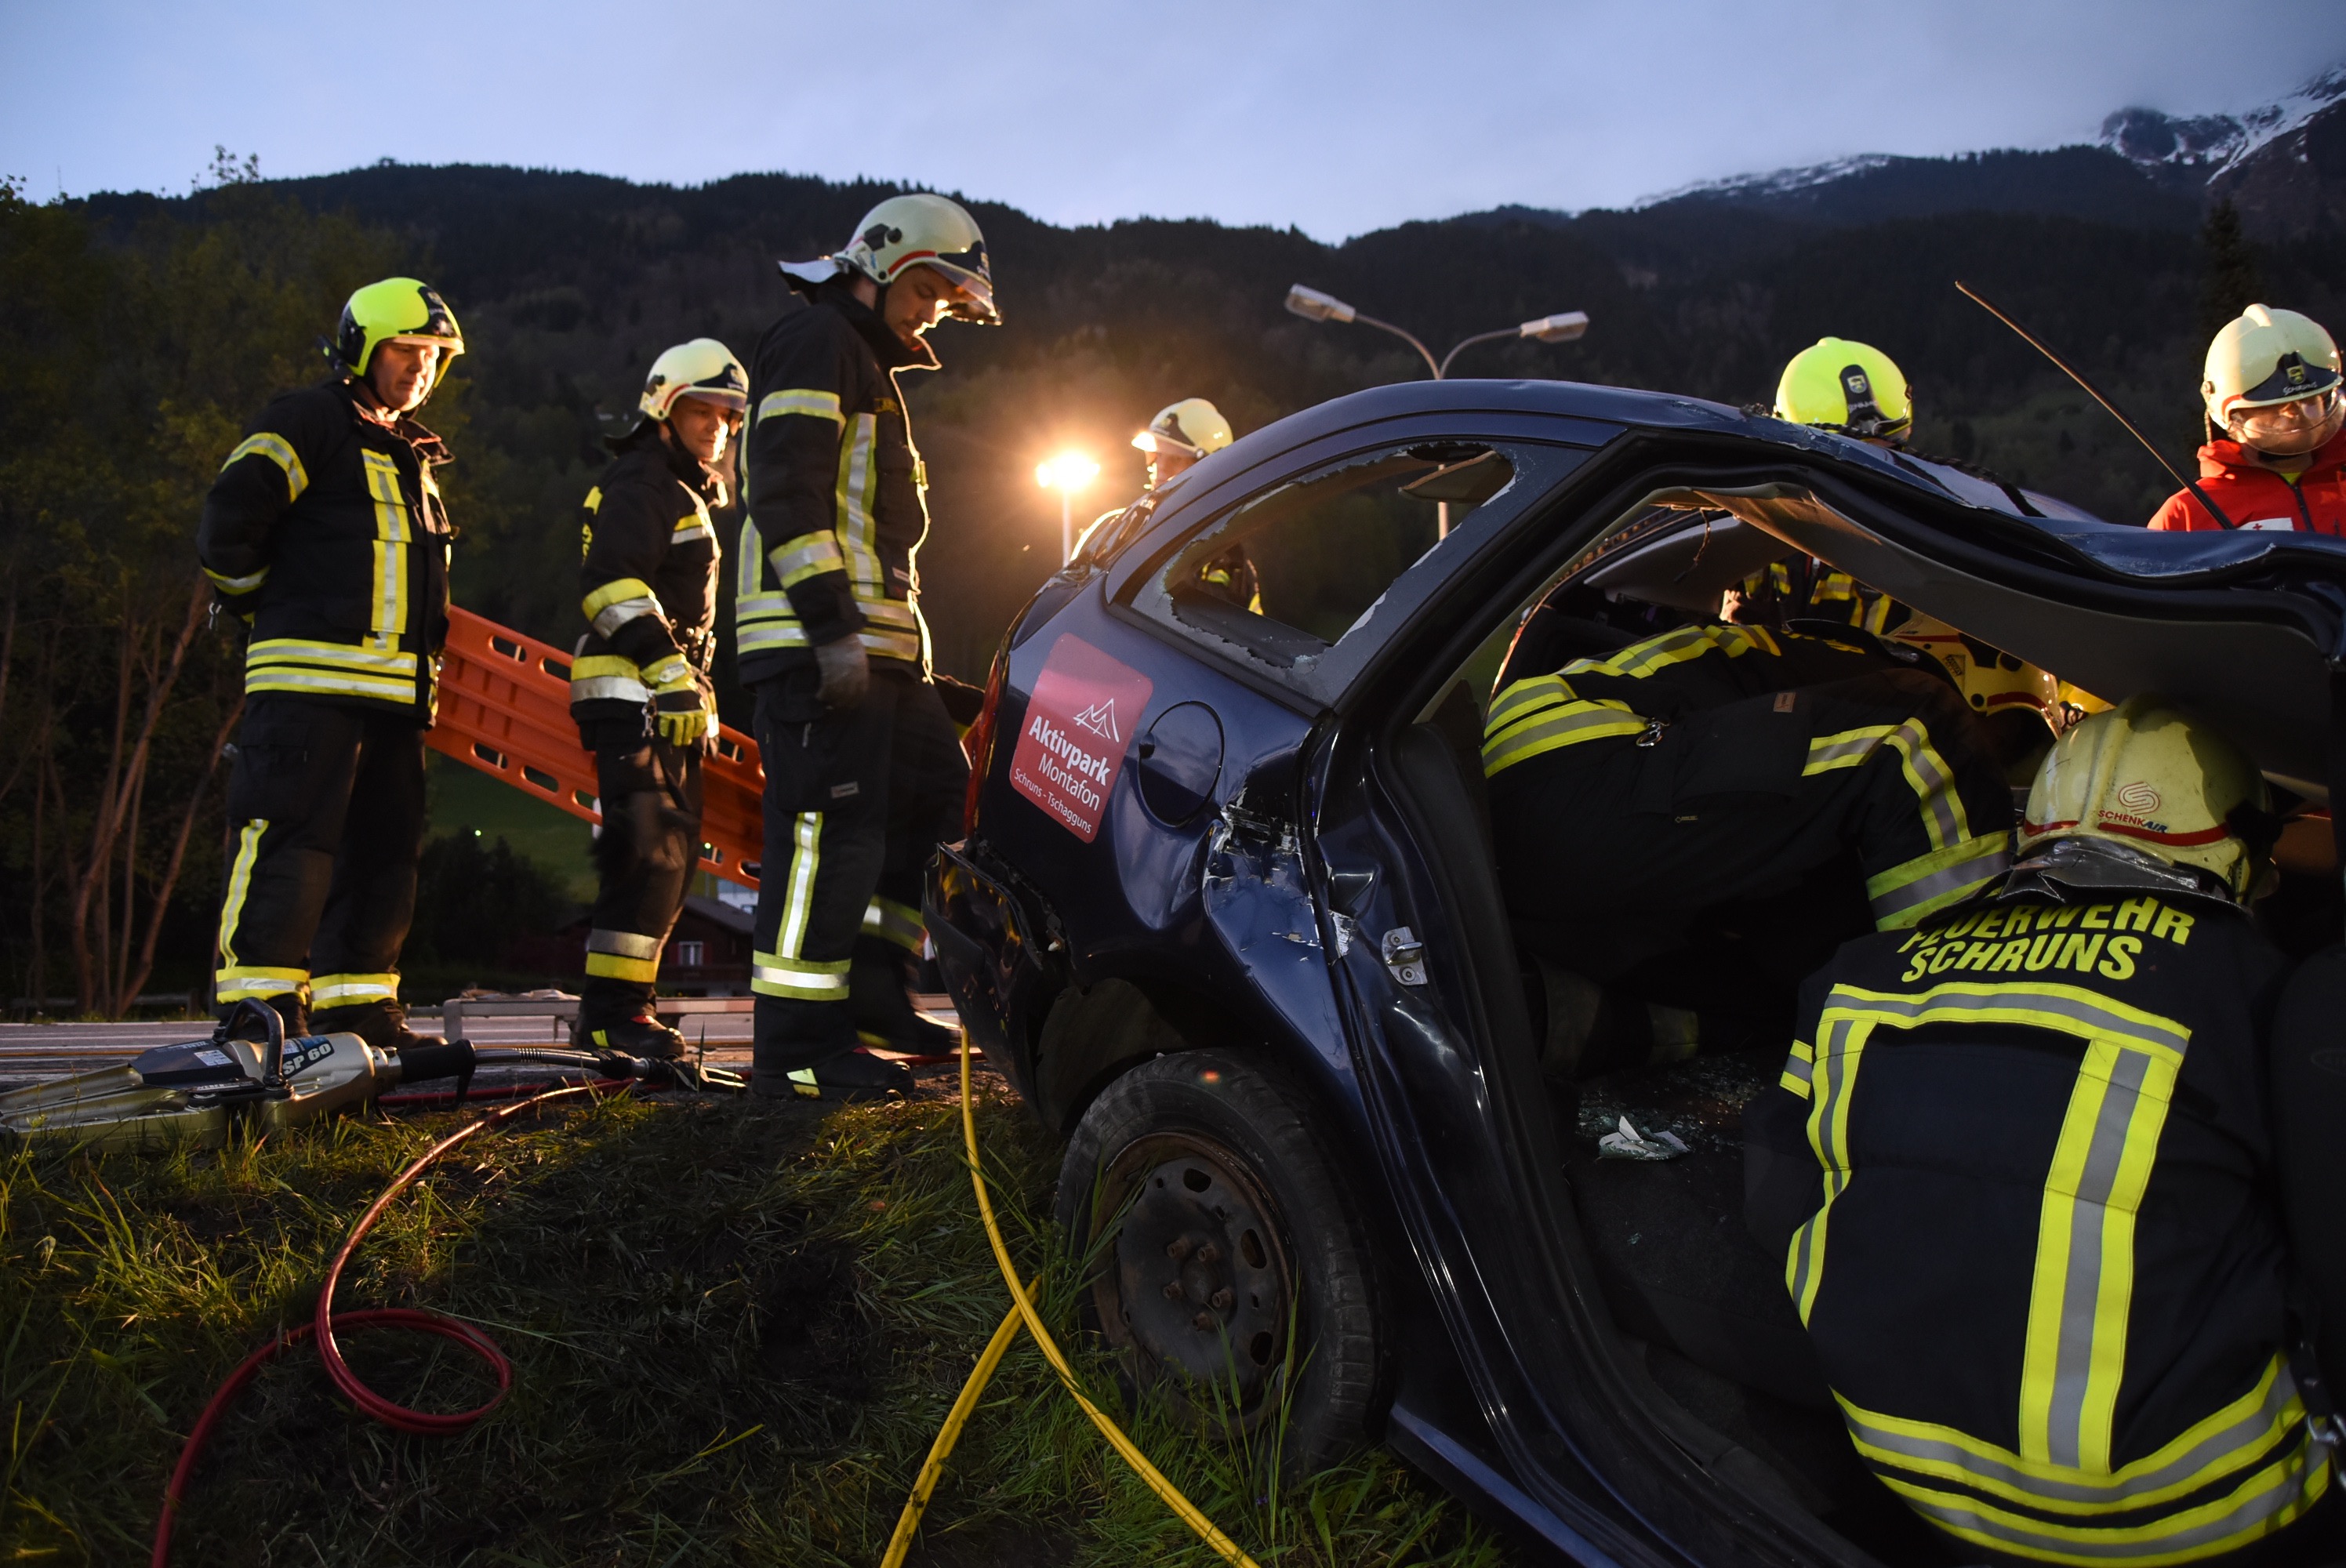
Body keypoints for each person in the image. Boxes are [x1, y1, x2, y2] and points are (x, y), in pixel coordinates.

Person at [1745, 699, 2330, 1566]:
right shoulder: (2261, 991)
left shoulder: (1860, 973)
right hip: (2207, 1504)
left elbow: (1776, 1196)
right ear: (2233, 845)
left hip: (1907, 1472)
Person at [736, 194, 995, 1100]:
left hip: (877, 651)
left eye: (944, 302)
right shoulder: (818, 341)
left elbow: (874, 538)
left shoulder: (867, 365)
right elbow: (786, 488)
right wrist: (830, 627)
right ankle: (796, 1045)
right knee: (827, 833)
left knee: (932, 800)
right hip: (815, 642)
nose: (931, 314)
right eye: (925, 290)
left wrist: (924, 676)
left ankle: (874, 995)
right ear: (878, 267)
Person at [1482, 618, 2015, 1029]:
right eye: (2016, 741)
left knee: (1779, 976)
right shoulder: (1864, 673)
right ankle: (1959, 1022)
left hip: (1531, 803)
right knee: (1925, 724)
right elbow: (1920, 750)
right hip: (1575, 757)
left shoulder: (1802, 693)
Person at [197, 278, 465, 1051]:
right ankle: (259, 1017)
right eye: (405, 350)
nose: (419, 368)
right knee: (289, 844)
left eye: (433, 356)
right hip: (306, 688)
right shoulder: (306, 420)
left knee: (385, 858)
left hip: (396, 701)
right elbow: (227, 526)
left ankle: (362, 1014)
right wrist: (275, 611)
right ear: (361, 349)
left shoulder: (413, 455)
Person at [567, 339, 746, 1057]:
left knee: (665, 857)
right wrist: (672, 676)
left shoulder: (675, 488)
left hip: (659, 698)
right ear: (663, 408)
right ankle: (612, 1017)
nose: (716, 427)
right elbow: (609, 584)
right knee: (646, 856)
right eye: (702, 410)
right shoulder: (645, 482)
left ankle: (623, 1012)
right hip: (634, 693)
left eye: (728, 416)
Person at [1730, 338, 1914, 631]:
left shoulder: (1924, 543)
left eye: (1885, 455)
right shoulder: (1752, 520)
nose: (1870, 474)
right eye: (1847, 457)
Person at [2151, 304, 2346, 534]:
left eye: (2310, 399)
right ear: (2231, 415)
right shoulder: (2188, 515)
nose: (2295, 413)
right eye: (2275, 405)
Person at [1131, 397, 1258, 608]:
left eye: (1176, 458)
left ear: (1210, 470)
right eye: (1157, 455)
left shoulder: (1225, 561)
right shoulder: (1124, 526)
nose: (1160, 468)